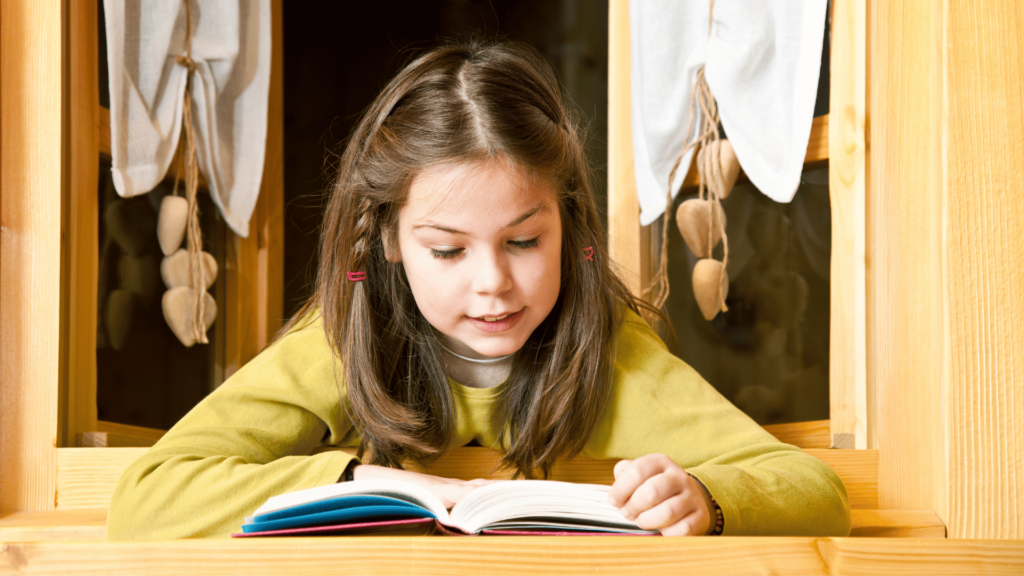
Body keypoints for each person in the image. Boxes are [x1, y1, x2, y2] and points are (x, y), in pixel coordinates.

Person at [107, 39, 850, 539]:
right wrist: (355, 482)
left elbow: (815, 489)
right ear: (390, 242)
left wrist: (709, 502)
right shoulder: (341, 336)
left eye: (525, 242)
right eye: (448, 250)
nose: (493, 283)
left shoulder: (611, 353)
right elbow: (146, 496)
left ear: (571, 230)